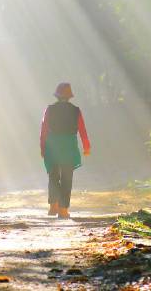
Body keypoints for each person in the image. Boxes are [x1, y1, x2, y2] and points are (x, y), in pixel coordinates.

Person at [40, 82, 91, 219]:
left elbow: (44, 129)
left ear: (57, 96)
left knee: (53, 175)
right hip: (69, 145)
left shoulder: (49, 109)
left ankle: (53, 206)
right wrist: (86, 146)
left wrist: (42, 147)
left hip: (53, 145)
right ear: (70, 97)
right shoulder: (76, 110)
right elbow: (82, 130)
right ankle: (63, 210)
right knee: (67, 177)